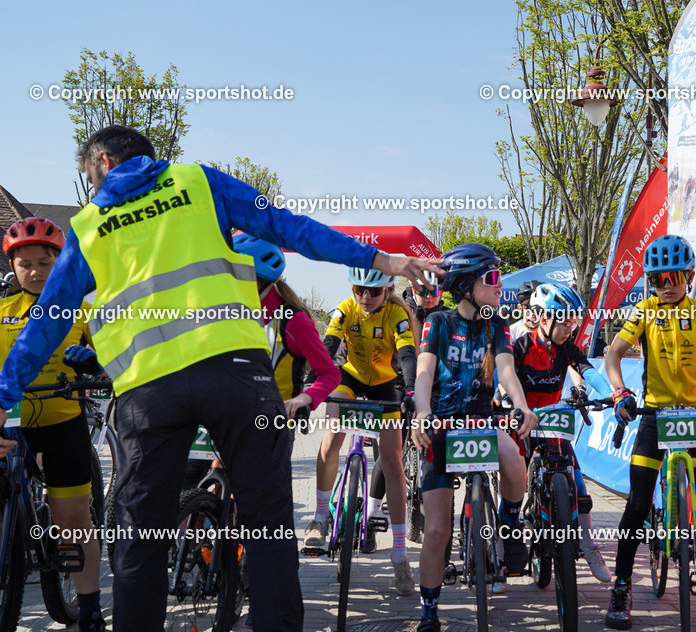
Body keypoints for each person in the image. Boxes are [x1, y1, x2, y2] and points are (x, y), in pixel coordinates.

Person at [0, 125, 440, 631]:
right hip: (237, 378)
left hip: (148, 394)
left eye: (89, 176)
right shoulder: (198, 180)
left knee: (141, 542)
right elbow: (288, 226)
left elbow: (48, 320)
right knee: (268, 528)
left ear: (101, 160)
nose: (92, 187)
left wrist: (3, 395)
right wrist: (384, 260)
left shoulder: (88, 223)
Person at [603, 234, 696, 631]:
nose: (667, 287)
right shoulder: (644, 312)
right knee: (636, 503)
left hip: (693, 416)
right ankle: (622, 586)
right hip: (653, 416)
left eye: (675, 278)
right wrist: (620, 392)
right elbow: (613, 354)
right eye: (658, 280)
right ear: (650, 281)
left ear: (690, 275)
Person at [410, 243, 538, 632]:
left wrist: (520, 404)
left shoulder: (496, 323)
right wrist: (422, 412)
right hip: (443, 425)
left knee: (516, 463)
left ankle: (509, 523)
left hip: (480, 423)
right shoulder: (439, 323)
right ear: (466, 284)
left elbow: (506, 370)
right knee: (436, 529)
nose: (501, 285)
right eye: (493, 278)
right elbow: (424, 374)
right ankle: (429, 609)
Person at [228, 233, 342, 632]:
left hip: (272, 422)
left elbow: (329, 372)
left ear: (256, 278)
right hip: (221, 417)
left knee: (259, 518)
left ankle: (258, 603)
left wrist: (304, 399)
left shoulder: (292, 320)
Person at [0, 218, 104, 631]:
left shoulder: (82, 311)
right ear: (13, 267)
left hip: (63, 422)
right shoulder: (2, 311)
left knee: (74, 520)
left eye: (45, 262)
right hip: (9, 425)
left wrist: (94, 364)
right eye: (25, 264)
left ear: (61, 262)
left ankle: (91, 609)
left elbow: (114, 364)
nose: (35, 271)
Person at [303, 267, 419, 595]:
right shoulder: (346, 308)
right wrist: (313, 380)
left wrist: (410, 390)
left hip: (386, 385)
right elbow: (328, 343)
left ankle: (399, 553)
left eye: (373, 292)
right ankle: (320, 518)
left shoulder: (396, 314)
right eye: (359, 289)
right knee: (332, 429)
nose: (365, 297)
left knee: (393, 462)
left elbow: (408, 353)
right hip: (350, 378)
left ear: (387, 291)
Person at [511, 282, 613, 582]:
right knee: (513, 481)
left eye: (573, 322)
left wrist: (612, 393)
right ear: (544, 319)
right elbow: (503, 377)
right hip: (523, 423)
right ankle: (505, 549)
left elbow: (587, 369)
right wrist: (503, 397)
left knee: (580, 486)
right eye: (565, 321)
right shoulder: (521, 346)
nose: (571, 328)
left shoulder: (566, 347)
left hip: (552, 425)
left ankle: (589, 545)